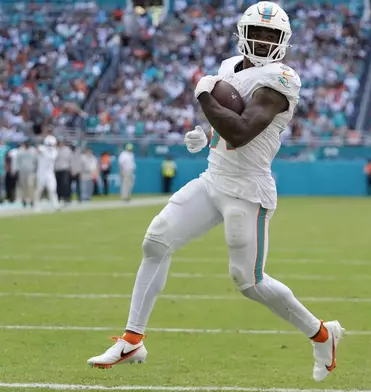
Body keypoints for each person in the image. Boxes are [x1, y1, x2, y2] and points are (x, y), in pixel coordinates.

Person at [87, 1, 343, 382]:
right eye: (255, 32)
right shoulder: (228, 68)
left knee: (249, 281)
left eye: (269, 35)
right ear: (242, 33)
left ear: (283, 41)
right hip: (214, 177)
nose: (260, 41)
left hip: (248, 190)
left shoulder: (283, 79)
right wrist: (205, 132)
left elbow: (242, 129)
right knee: (156, 240)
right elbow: (223, 121)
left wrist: (205, 98)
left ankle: (323, 334)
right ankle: (132, 338)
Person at [35, 135, 60, 211]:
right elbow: (38, 150)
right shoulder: (42, 149)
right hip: (41, 172)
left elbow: (50, 156)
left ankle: (55, 204)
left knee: (52, 189)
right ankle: (36, 205)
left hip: (50, 173)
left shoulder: (55, 152)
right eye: (49, 144)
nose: (50, 146)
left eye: (51, 144)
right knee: (39, 189)